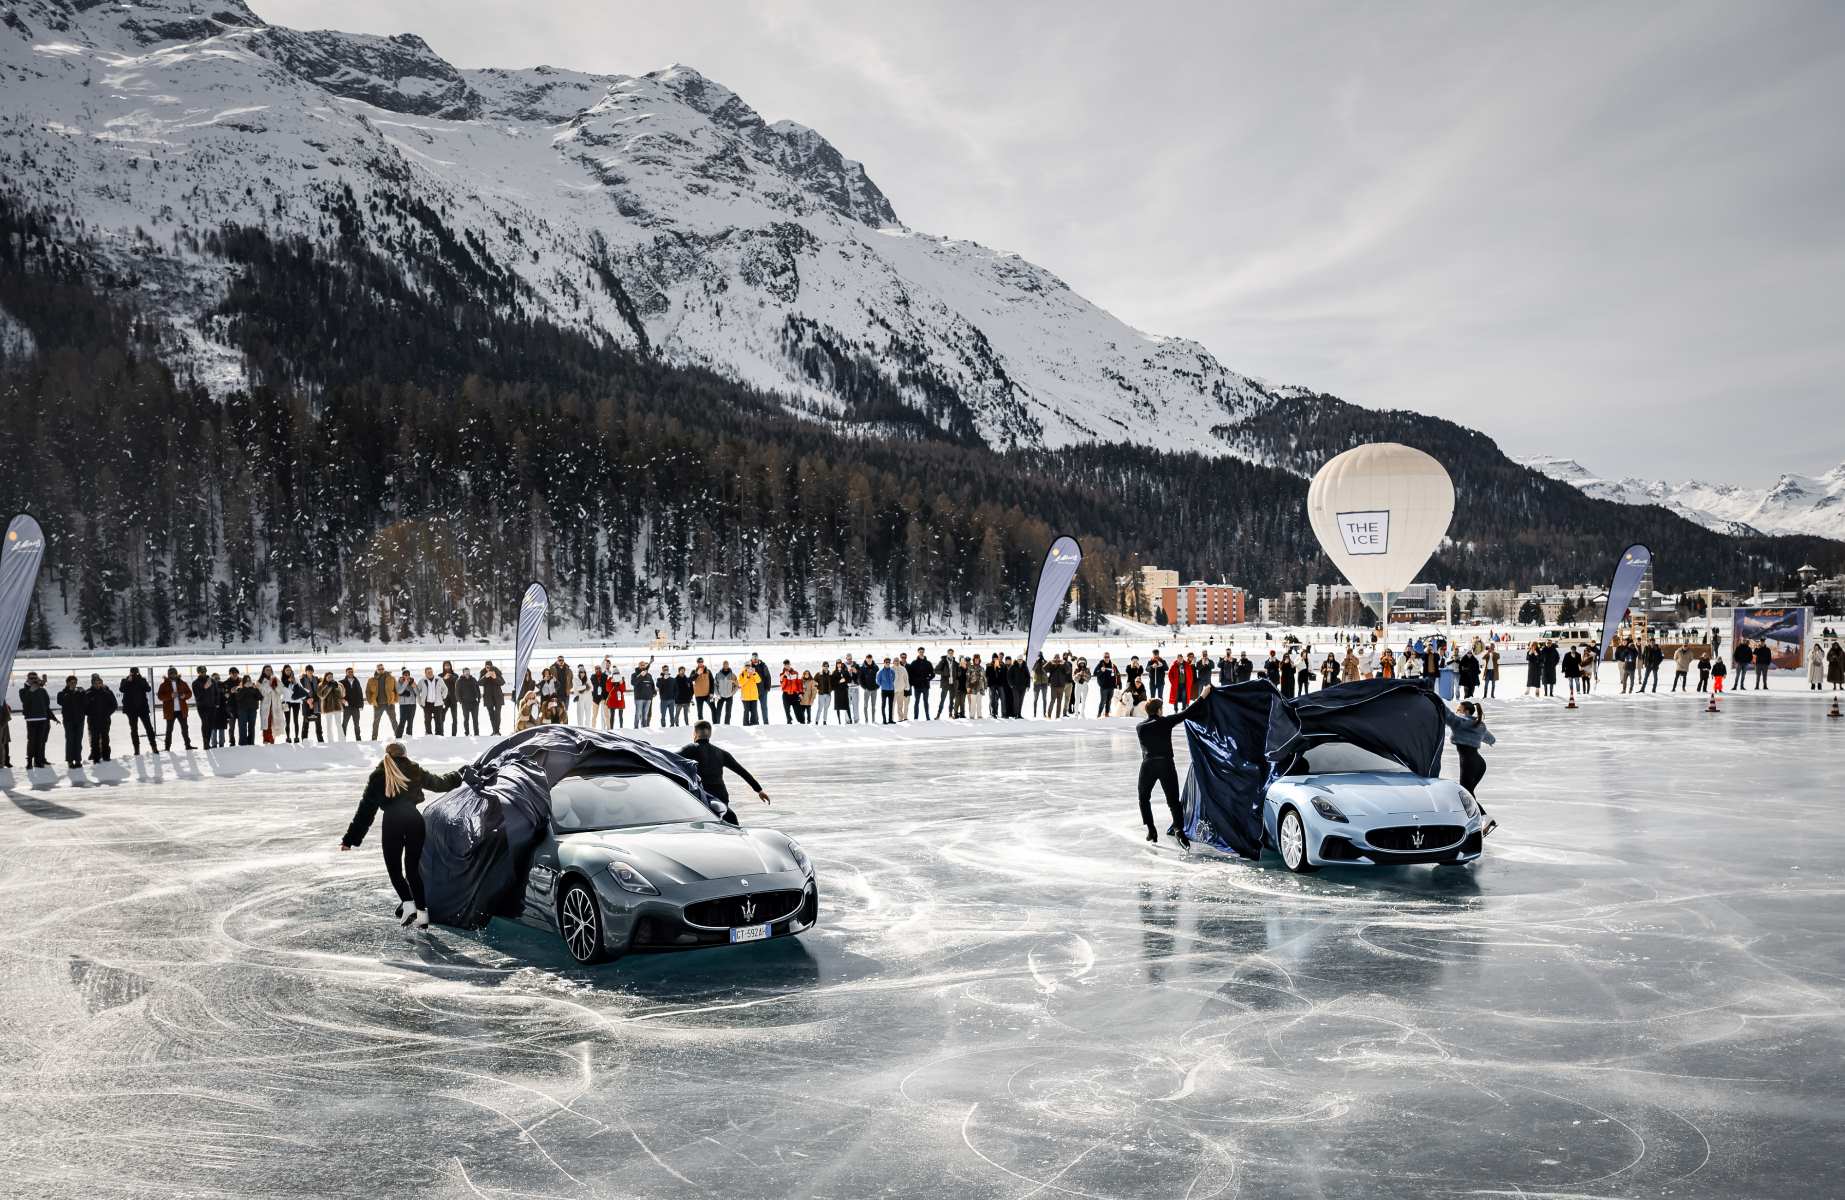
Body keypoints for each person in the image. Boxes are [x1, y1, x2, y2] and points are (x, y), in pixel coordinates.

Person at [338, 742, 462, 929]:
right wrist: (459, 775)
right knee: (412, 871)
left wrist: (350, 839)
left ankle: (408, 903)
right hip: (414, 821)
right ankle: (422, 914)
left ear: (387, 755)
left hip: (392, 824)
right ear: (404, 754)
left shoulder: (378, 777)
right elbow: (440, 784)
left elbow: (365, 812)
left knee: (395, 870)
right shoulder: (413, 770)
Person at [1133, 685, 1212, 847]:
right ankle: (1179, 830)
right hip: (1166, 764)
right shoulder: (1165, 722)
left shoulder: (1140, 727)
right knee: (1173, 801)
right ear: (1160, 710)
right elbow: (1187, 713)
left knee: (1143, 798)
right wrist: (1203, 695)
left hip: (1148, 765)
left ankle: (1151, 829)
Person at [679, 721, 770, 826]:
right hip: (721, 796)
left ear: (694, 733)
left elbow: (668, 760)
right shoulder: (721, 753)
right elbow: (741, 771)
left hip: (702, 796)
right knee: (725, 826)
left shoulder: (689, 750)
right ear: (710, 733)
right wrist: (759, 790)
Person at [1442, 700, 1497, 836]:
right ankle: (1477, 821)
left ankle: (1484, 818)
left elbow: (1446, 714)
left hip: (1468, 762)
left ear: (1466, 711)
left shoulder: (1460, 722)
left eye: (1459, 709)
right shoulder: (1479, 724)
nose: (1456, 712)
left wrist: (1432, 697)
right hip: (1479, 763)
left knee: (1466, 794)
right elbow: (1491, 739)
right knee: (1468, 793)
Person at [117, 667, 156, 754]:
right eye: (133, 673)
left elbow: (148, 689)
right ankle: (136, 749)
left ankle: (154, 747)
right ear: (130, 673)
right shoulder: (125, 680)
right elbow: (121, 689)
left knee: (149, 728)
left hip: (143, 708)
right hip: (131, 710)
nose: (134, 674)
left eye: (136, 673)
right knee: (134, 729)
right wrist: (128, 681)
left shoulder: (142, 680)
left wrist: (140, 680)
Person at [157, 667, 194, 751]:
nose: (173, 675)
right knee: (169, 730)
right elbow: (160, 696)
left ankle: (188, 745)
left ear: (176, 674)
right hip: (170, 711)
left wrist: (184, 695)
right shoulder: (164, 684)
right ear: (168, 674)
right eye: (171, 674)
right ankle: (167, 747)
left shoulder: (182, 683)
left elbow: (189, 693)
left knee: (185, 728)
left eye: (174, 673)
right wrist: (170, 696)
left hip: (182, 710)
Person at [84, 674, 117, 763]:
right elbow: (84, 707)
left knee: (105, 738)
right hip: (93, 720)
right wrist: (91, 714)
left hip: (105, 720)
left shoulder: (107, 692)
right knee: (94, 739)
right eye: (95, 683)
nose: (97, 684)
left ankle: (106, 756)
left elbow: (114, 705)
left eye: (99, 682)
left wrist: (107, 714)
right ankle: (96, 757)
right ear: (92, 683)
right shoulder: (88, 693)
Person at [57, 674, 87, 767]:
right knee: (70, 740)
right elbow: (61, 701)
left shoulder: (80, 692)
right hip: (68, 720)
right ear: (67, 683)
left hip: (80, 720)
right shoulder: (62, 693)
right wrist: (70, 692)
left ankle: (78, 760)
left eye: (75, 682)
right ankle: (70, 761)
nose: (73, 684)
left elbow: (86, 702)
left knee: (78, 740)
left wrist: (84, 692)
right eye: (71, 682)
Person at [480, 662, 505, 735]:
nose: (488, 669)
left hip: (498, 697)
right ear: (485, 667)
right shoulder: (483, 672)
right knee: (491, 715)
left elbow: (502, 682)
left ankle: (497, 731)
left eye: (490, 667)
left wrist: (495, 677)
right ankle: (494, 730)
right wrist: (485, 676)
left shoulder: (496, 671)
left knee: (497, 714)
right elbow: (479, 683)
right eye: (487, 667)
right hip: (488, 697)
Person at [455, 667, 481, 735]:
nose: (467, 673)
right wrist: (460, 701)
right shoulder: (459, 681)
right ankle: (467, 733)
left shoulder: (473, 679)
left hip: (474, 703)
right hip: (465, 703)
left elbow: (478, 689)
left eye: (468, 671)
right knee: (466, 719)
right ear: (463, 673)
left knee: (475, 719)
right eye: (466, 672)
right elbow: (457, 692)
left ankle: (476, 733)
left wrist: (479, 699)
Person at [877, 657, 897, 723]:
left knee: (891, 705)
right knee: (883, 705)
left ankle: (890, 719)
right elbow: (878, 681)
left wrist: (890, 685)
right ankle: (884, 720)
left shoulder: (892, 671)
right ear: (884, 663)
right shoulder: (881, 672)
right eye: (886, 662)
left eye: (889, 662)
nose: (887, 664)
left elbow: (893, 679)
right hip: (884, 691)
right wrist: (883, 685)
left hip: (891, 690)